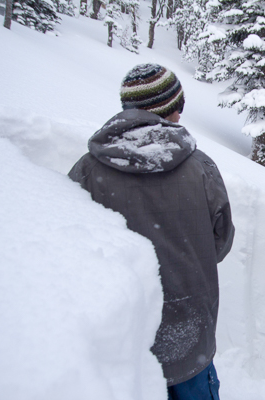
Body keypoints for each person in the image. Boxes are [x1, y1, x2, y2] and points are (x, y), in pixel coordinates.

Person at [68, 63, 235, 400]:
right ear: (171, 110)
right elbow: (221, 242)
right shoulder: (200, 166)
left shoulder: (87, 169)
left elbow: (71, 248)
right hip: (190, 334)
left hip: (123, 340)